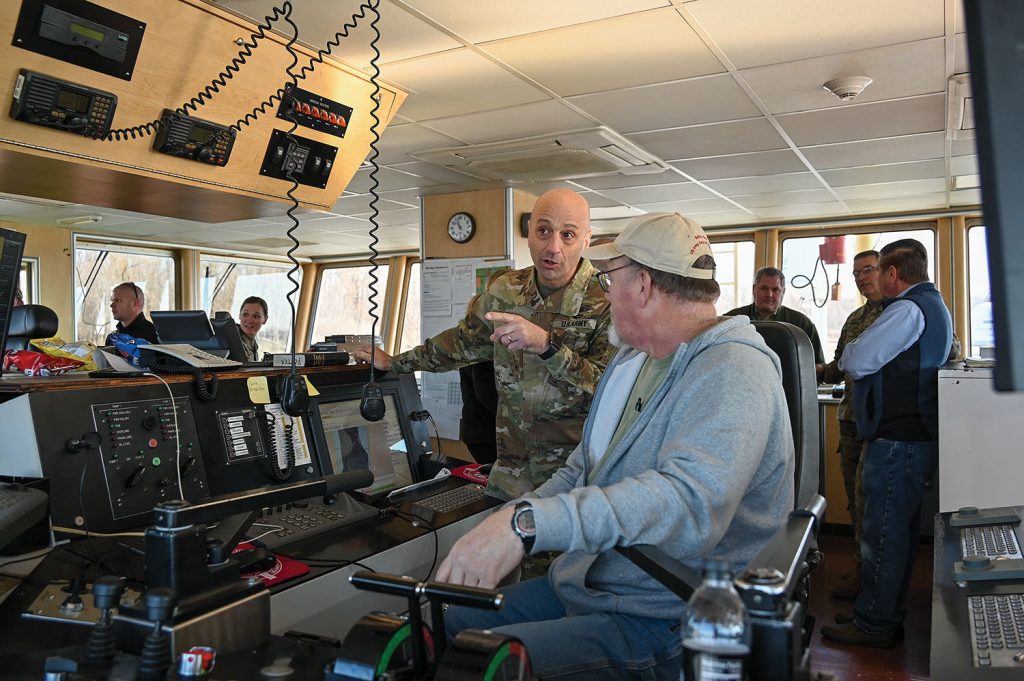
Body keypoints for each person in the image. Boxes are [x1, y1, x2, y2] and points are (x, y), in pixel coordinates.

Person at [438, 212, 795, 680]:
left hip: (666, 610)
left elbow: (690, 504)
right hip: (596, 581)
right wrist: (508, 521)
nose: (604, 294)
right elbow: (581, 468)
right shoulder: (633, 361)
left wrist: (527, 527)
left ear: (643, 284)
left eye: (608, 280)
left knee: (488, 665)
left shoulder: (734, 370)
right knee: (451, 619)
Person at [353, 188, 613, 501]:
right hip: (510, 476)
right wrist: (394, 363)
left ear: (586, 239)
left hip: (575, 479)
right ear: (529, 232)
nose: (553, 247)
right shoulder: (506, 290)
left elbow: (610, 389)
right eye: (543, 231)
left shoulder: (607, 300)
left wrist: (547, 346)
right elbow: (460, 344)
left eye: (568, 235)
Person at [821, 238, 952, 648]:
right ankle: (881, 610)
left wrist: (852, 353)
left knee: (884, 535)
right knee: (897, 533)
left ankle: (875, 624)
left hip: (898, 439)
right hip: (913, 437)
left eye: (878, 272)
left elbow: (855, 360)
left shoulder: (908, 309)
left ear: (893, 274)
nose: (874, 279)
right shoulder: (934, 305)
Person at [817, 250, 884, 599]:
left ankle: (873, 581)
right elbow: (838, 366)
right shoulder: (856, 317)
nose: (860, 277)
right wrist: (810, 368)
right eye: (857, 272)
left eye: (868, 270)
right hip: (851, 422)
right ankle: (863, 571)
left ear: (885, 271)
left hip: (881, 426)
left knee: (872, 503)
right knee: (855, 503)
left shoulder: (900, 312)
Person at [725, 267, 825, 365]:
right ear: (754, 289)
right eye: (764, 288)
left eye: (775, 290)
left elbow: (818, 365)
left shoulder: (801, 324)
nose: (769, 295)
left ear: (783, 292)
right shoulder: (732, 320)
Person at [238, 296, 268, 362]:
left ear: (265, 320)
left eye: (256, 316)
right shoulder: (231, 338)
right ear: (239, 315)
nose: (249, 320)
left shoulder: (253, 346)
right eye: (245, 314)